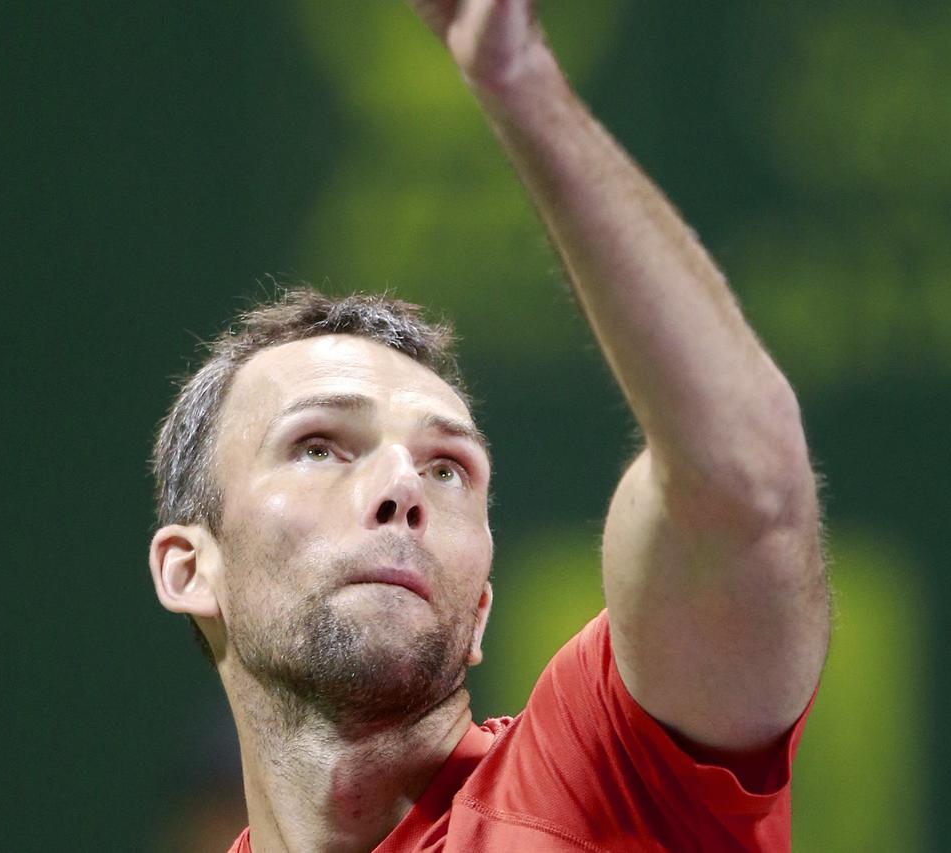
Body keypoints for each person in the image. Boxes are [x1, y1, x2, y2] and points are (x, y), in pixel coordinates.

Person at [147, 1, 830, 850]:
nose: (400, 486)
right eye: (319, 446)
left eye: (448, 469)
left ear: (479, 609)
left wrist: (519, 83)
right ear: (189, 566)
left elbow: (747, 482)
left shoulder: (605, 787)